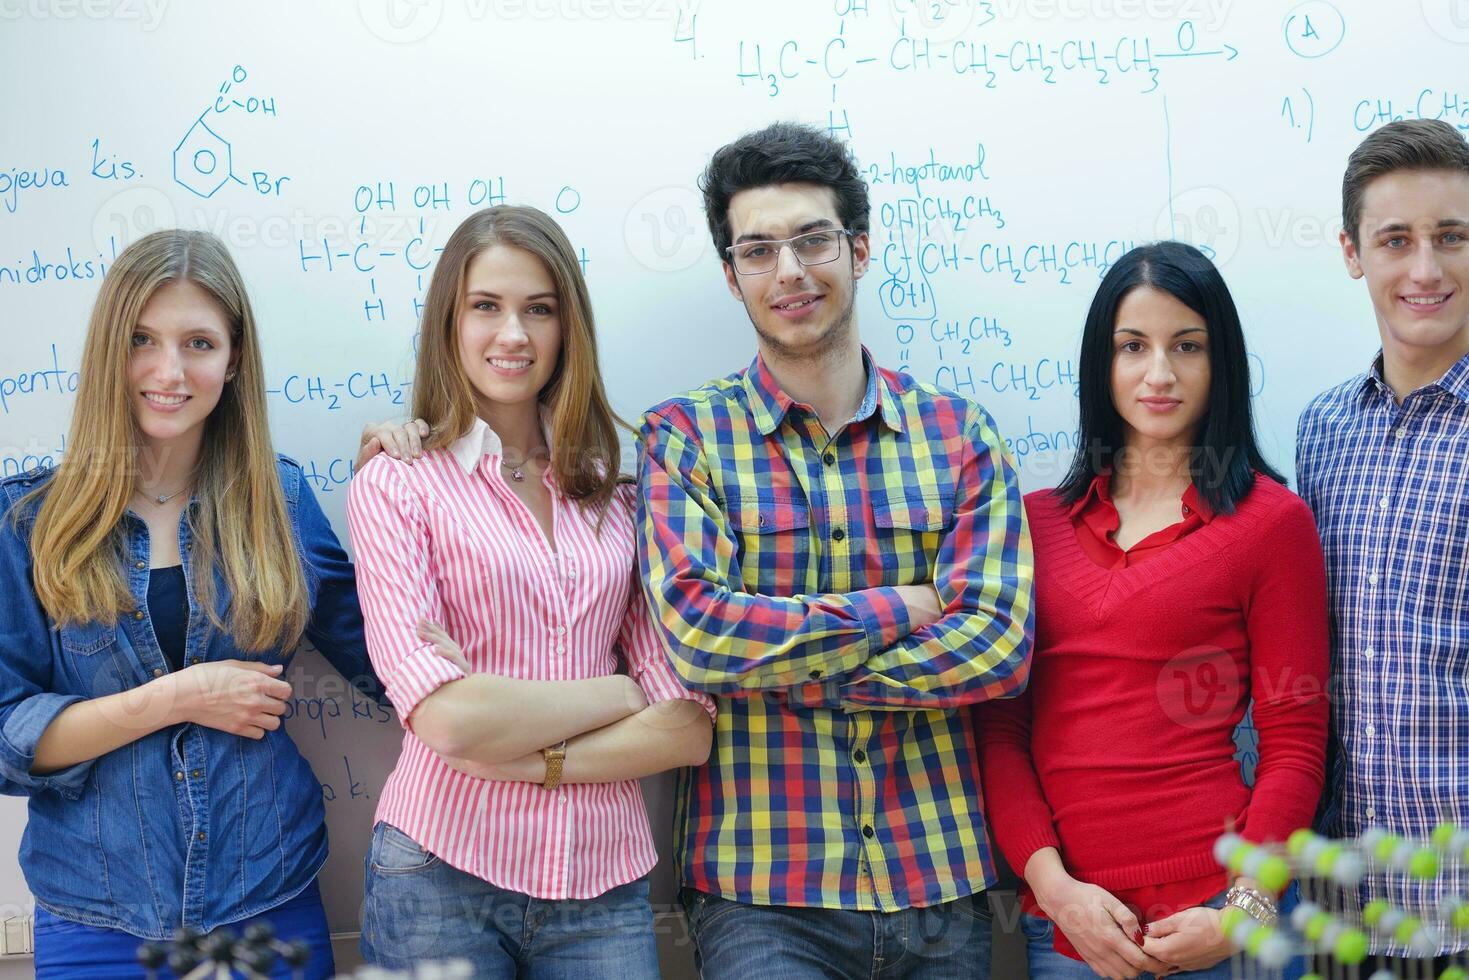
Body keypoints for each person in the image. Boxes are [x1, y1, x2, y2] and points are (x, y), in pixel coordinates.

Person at [634, 122, 1034, 980]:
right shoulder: (684, 437)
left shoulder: (959, 436)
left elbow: (998, 648)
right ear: (730, 274)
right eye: (757, 250)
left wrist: (788, 674)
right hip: (760, 893)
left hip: (940, 877)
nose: (789, 271)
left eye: (812, 240)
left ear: (857, 248)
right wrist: (900, 607)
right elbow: (701, 638)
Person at [0, 230, 399, 979]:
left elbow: (390, 665)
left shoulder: (279, 502)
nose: (168, 370)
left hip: (266, 899)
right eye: (142, 340)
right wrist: (181, 697)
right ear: (106, 349)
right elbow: (7, 738)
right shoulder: (26, 523)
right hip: (94, 919)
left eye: (199, 343)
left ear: (234, 358)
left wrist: (410, 495)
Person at [346, 204, 715, 979]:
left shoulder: (618, 500)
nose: (512, 333)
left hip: (602, 885)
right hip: (440, 872)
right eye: (486, 306)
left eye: (537, 309)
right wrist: (616, 692)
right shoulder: (398, 485)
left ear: (565, 327)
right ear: (451, 319)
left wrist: (513, 741)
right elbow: (447, 721)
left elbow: (684, 730)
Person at [979, 241, 1329, 980]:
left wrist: (1245, 911)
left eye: (1187, 346)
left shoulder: (1272, 523)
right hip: (1073, 930)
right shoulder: (1031, 524)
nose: (1159, 373)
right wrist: (1053, 892)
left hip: (1223, 922)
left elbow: (1294, 740)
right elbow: (1000, 733)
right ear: (1099, 365)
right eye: (1132, 346)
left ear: (1219, 362)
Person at [1297, 117, 1469, 971]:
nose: (1425, 270)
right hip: (1339, 900)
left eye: (1451, 237)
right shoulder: (1321, 430)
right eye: (1395, 240)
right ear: (1351, 252)